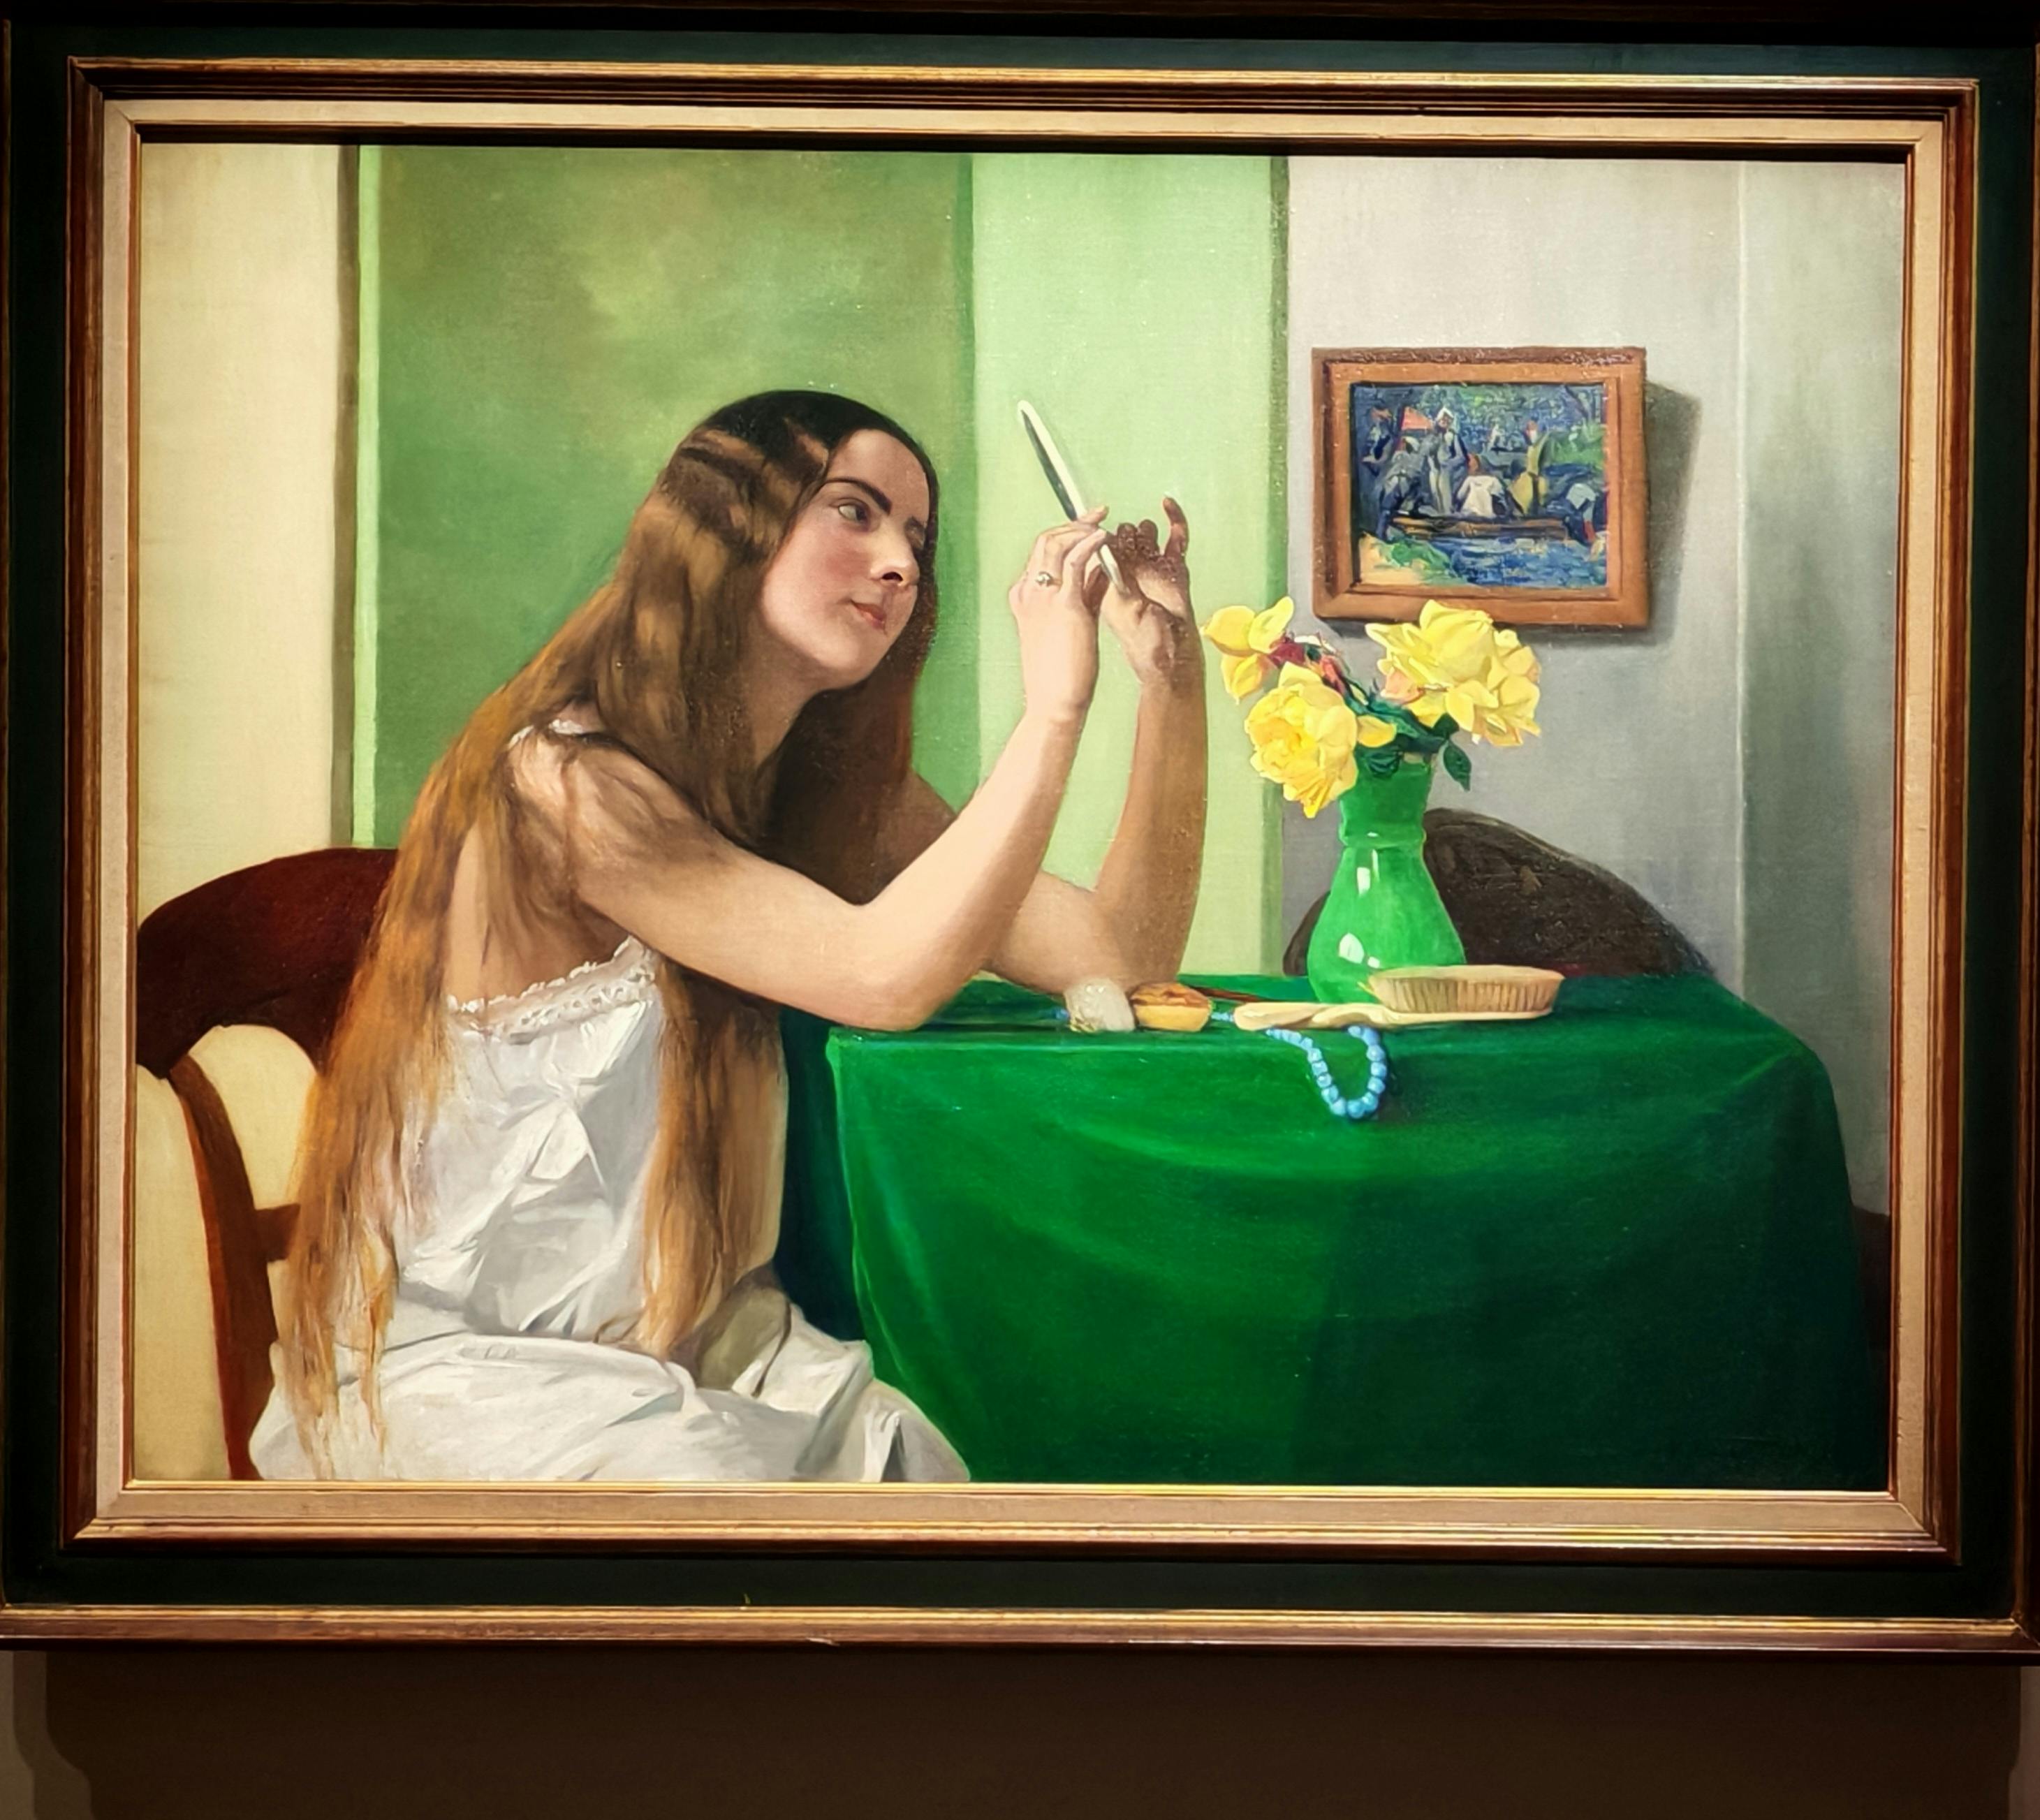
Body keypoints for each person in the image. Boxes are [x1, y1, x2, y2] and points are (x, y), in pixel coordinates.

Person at [252, 390, 1208, 1483]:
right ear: (727, 522)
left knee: (927, 1467)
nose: (899, 562)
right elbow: (883, 978)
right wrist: (1051, 713)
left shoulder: (831, 791)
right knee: (768, 1517)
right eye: (853, 511)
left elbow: (1114, 955)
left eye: (915, 535)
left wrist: (1167, 679)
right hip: (473, 1374)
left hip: (701, 1348)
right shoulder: (565, 783)